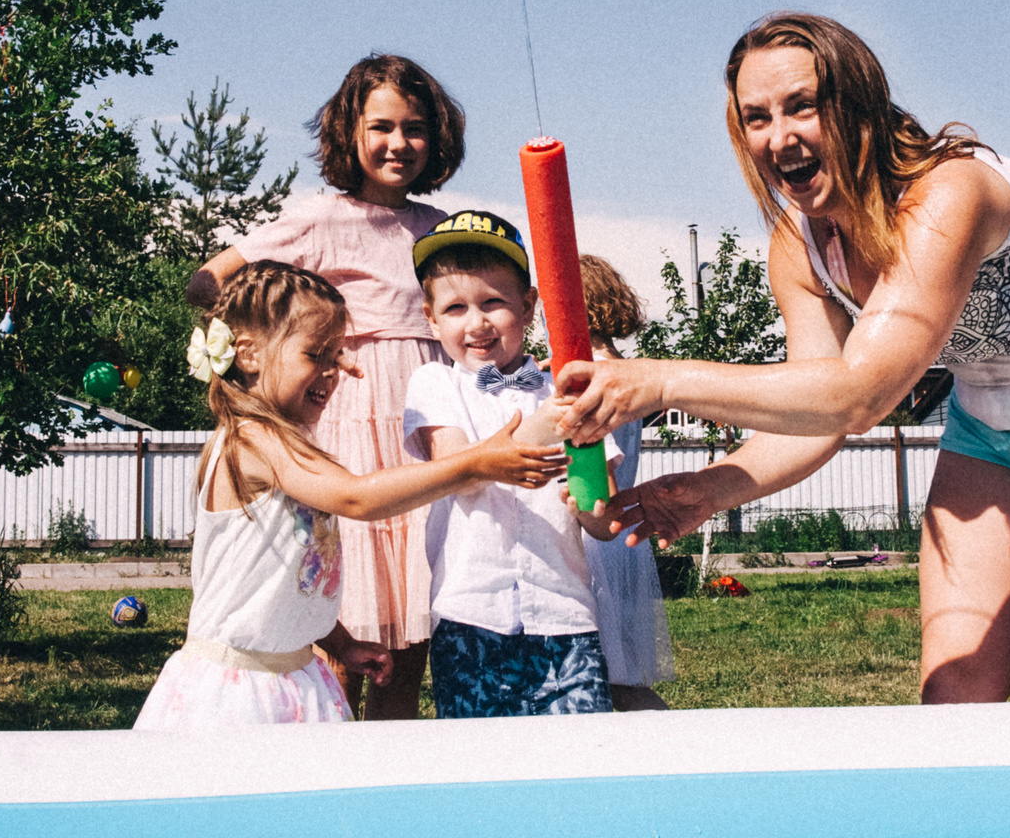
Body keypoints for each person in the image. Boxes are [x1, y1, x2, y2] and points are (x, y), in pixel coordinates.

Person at [562, 13, 1010, 704]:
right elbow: (817, 407)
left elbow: (862, 393)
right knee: (954, 689)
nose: (780, 137)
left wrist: (660, 380)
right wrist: (713, 488)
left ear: (858, 102)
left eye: (802, 105)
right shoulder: (800, 247)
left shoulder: (949, 193)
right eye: (757, 117)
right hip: (994, 424)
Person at [135, 260, 564, 730]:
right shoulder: (253, 439)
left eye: (336, 356)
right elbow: (357, 498)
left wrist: (339, 644)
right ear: (249, 354)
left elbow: (287, 578)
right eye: (315, 355)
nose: (331, 373)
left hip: (293, 671)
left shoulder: (290, 443)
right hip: (236, 686)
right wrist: (473, 463)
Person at [189, 55, 465, 719]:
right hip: (350, 425)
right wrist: (253, 358)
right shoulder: (320, 218)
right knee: (344, 628)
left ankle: (385, 784)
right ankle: (322, 748)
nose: (399, 142)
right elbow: (210, 280)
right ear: (350, 132)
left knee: (406, 638)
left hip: (423, 426)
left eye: (416, 128)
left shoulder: (439, 227)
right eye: (382, 126)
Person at [404, 212, 623, 717]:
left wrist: (589, 501)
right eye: (455, 308)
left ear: (527, 307)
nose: (476, 323)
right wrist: (554, 422)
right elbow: (462, 468)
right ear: (431, 319)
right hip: (470, 618)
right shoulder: (435, 385)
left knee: (580, 766)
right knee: (483, 773)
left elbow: (603, 519)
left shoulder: (566, 392)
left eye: (494, 303)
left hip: (565, 620)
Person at [578, 254, 675, 710]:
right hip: (624, 539)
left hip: (594, 530)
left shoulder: (589, 377)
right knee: (621, 671)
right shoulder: (636, 372)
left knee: (601, 672)